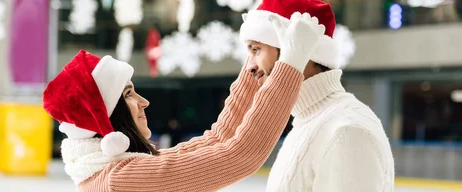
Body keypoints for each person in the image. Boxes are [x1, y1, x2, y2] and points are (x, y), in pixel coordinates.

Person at [42, 13, 324, 191]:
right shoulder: (123, 180)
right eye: (127, 94)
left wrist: (253, 60)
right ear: (105, 118)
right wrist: (290, 63)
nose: (143, 102)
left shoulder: (118, 169)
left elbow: (220, 139)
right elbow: (238, 156)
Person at [239, 0, 395, 191]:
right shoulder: (306, 123)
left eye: (256, 50)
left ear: (297, 47)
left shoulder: (345, 131)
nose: (249, 66)